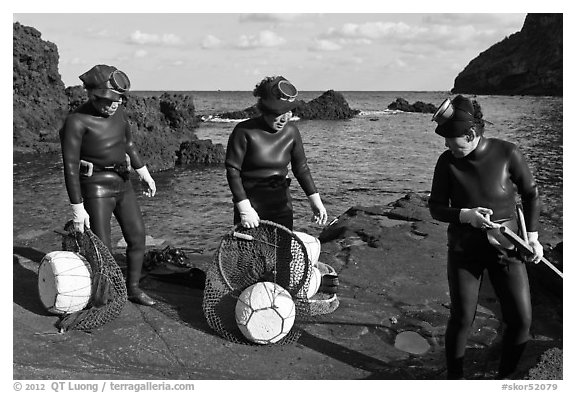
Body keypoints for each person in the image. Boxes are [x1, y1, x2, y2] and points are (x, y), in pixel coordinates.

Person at [428, 95, 544, 379]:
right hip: (464, 252)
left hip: (507, 249)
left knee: (520, 321)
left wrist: (533, 237)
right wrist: (466, 215)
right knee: (462, 318)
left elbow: (530, 194)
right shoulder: (447, 163)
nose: (446, 145)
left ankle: (503, 380)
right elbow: (436, 208)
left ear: (471, 134)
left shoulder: (507, 153)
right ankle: (455, 381)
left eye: (451, 138)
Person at [59, 64, 157, 306]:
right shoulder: (76, 121)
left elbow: (128, 144)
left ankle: (133, 287)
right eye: (106, 100)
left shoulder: (119, 114)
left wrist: (143, 171)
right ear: (90, 94)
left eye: (118, 100)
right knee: (103, 246)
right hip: (95, 186)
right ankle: (107, 289)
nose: (113, 105)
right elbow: (70, 167)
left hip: (123, 181)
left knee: (137, 237)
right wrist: (77, 208)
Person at [225, 75, 328, 230]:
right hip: (251, 208)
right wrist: (244, 208)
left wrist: (315, 201)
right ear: (264, 110)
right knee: (249, 252)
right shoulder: (243, 131)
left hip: (282, 207)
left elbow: (301, 169)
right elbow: (233, 171)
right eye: (278, 113)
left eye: (289, 111)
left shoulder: (292, 132)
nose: (284, 118)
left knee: (282, 252)